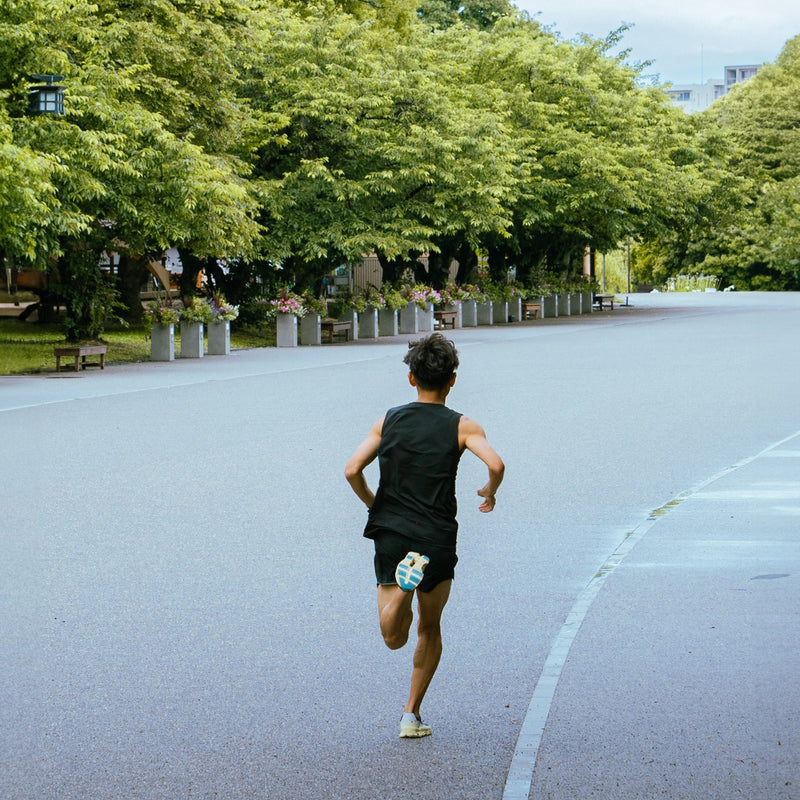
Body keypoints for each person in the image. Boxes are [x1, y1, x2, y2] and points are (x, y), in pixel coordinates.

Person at [344, 333, 505, 738]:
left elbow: (351, 471)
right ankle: (410, 715)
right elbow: (497, 464)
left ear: (411, 378)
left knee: (392, 637)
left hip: (391, 531)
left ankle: (401, 590)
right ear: (452, 379)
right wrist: (490, 490)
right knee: (429, 629)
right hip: (435, 536)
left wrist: (372, 503)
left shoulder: (388, 420)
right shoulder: (463, 426)